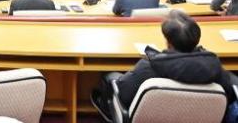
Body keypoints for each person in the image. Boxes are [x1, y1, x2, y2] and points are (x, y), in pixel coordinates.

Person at [91, 10, 238, 121]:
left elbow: (124, 94)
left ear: (168, 42)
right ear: (196, 40)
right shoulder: (214, 67)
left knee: (110, 77)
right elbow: (230, 97)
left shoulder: (149, 66)